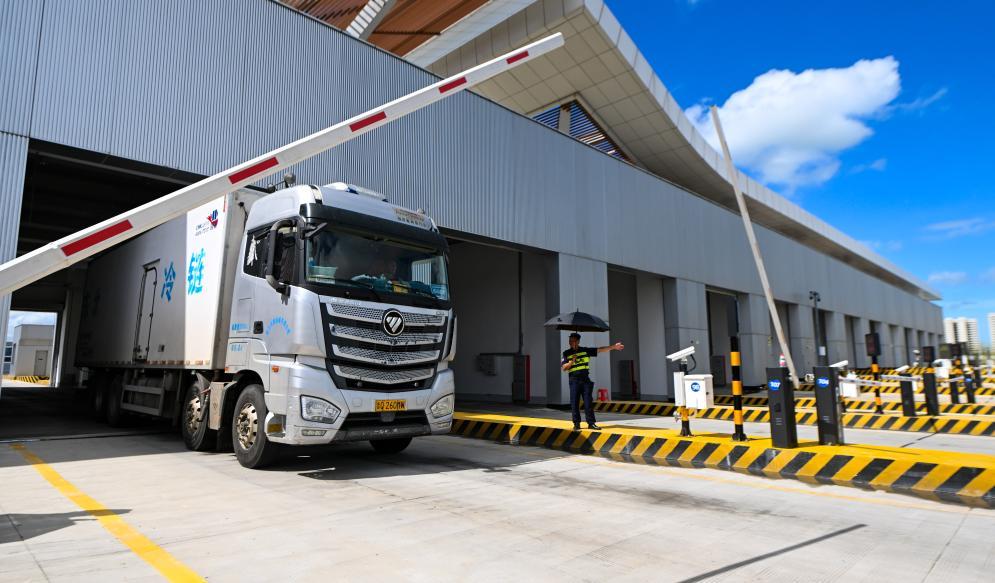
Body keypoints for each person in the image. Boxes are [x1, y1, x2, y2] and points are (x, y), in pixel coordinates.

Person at [561, 332, 624, 430]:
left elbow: (600, 349)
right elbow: (564, 368)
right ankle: (576, 423)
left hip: (585, 381)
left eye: (573, 341)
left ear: (578, 341)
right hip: (574, 381)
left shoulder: (585, 350)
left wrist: (613, 347)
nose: (571, 343)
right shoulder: (566, 353)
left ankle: (591, 423)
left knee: (588, 403)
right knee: (574, 403)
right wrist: (571, 361)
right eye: (570, 341)